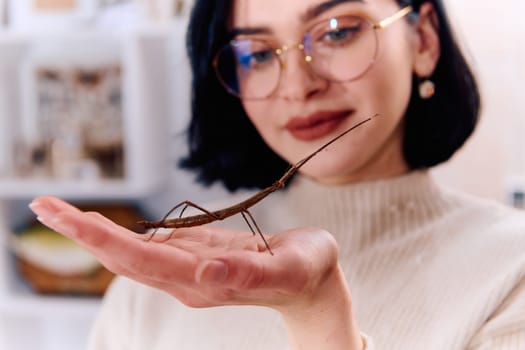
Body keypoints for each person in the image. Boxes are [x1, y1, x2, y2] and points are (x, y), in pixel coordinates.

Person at [29, 0, 525, 349]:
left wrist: (318, 311)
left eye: (336, 30)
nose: (299, 85)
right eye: (256, 54)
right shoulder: (150, 280)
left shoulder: (509, 275)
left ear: (423, 38)